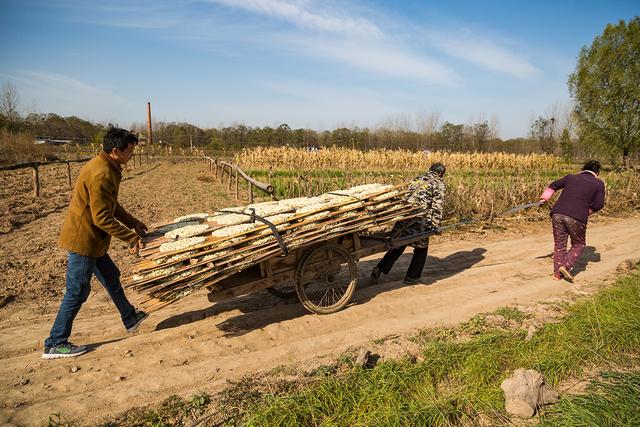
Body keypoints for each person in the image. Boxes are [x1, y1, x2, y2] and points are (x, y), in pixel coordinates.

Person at [42, 127, 149, 359]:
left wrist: (133, 223)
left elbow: (111, 205)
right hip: (84, 241)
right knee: (77, 291)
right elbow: (101, 217)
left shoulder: (108, 167)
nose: (132, 154)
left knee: (111, 276)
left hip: (95, 239)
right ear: (114, 151)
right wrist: (131, 237)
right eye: (129, 150)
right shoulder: (101, 173)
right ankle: (55, 342)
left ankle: (130, 318)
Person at [371, 162, 446, 285]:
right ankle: (413, 276)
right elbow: (437, 207)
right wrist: (435, 226)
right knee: (421, 248)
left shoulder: (417, 179)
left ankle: (380, 268)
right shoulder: (439, 183)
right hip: (421, 220)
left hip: (405, 216)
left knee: (399, 244)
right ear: (440, 174)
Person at [539, 160, 605, 282]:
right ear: (597, 173)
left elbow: (554, 185)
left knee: (559, 244)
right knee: (579, 244)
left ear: (582, 170)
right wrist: (587, 212)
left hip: (557, 214)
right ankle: (565, 266)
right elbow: (599, 204)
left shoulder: (571, 177)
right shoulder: (598, 184)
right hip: (577, 218)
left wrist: (545, 198)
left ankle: (557, 275)